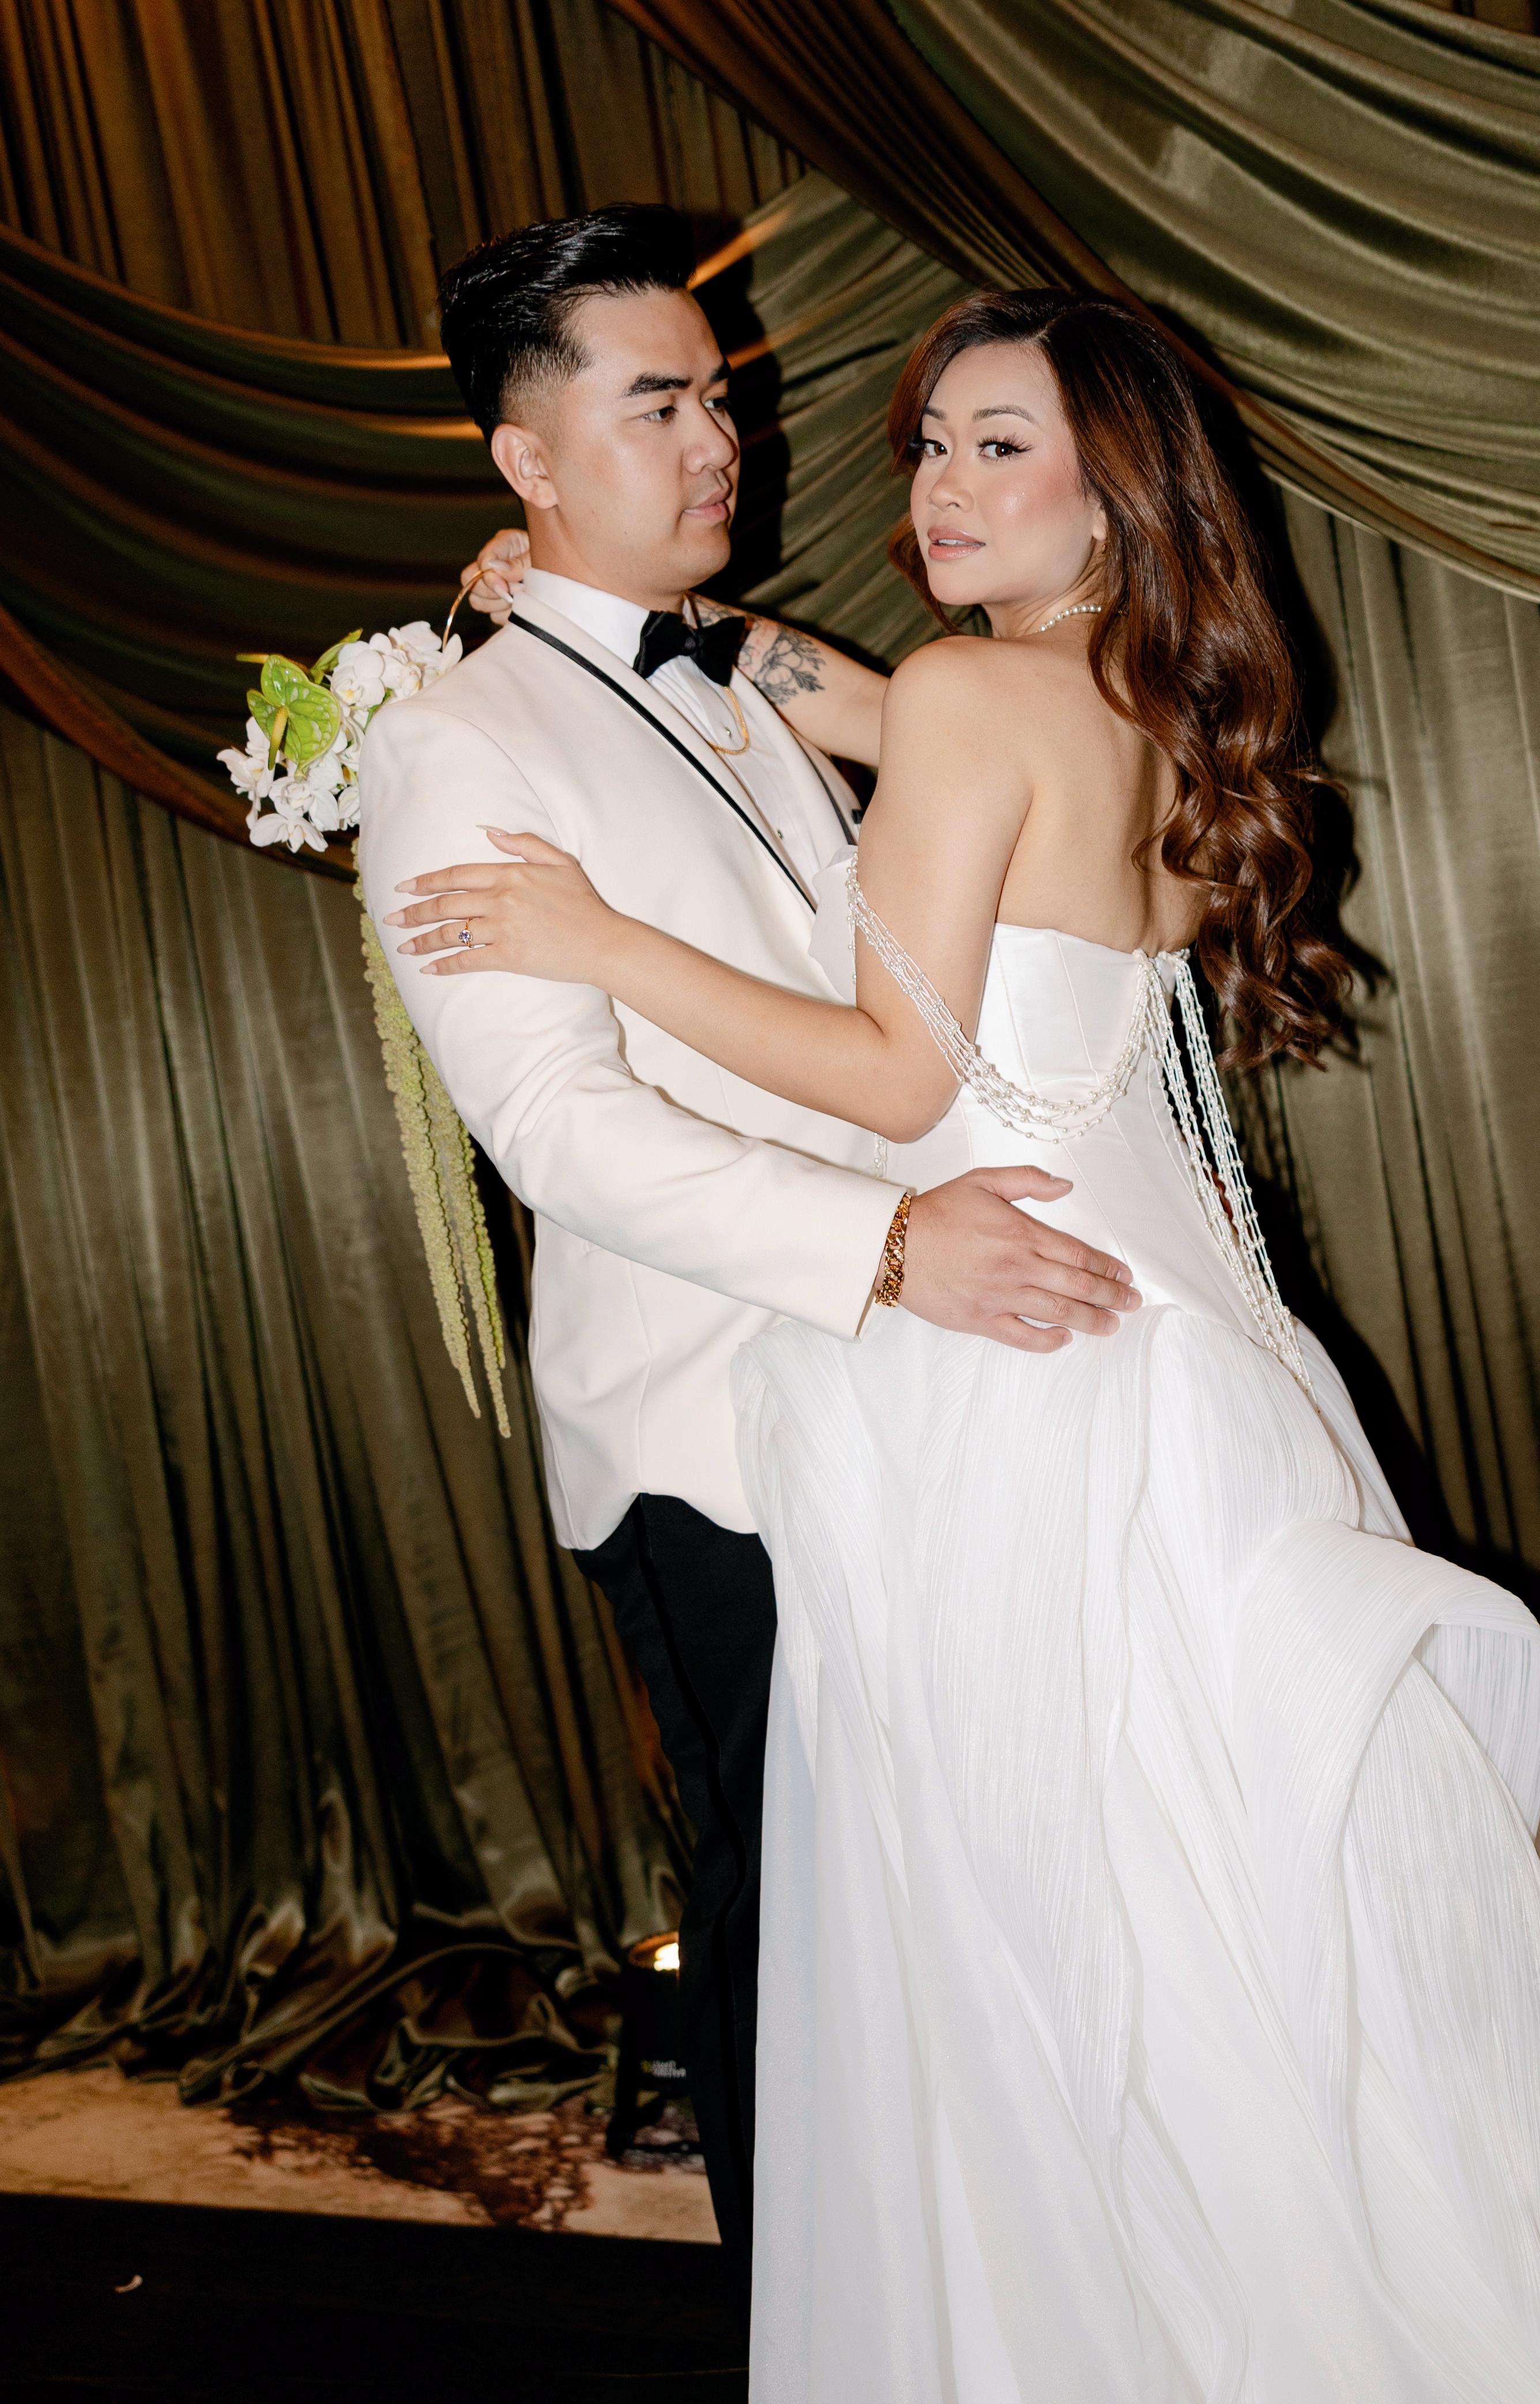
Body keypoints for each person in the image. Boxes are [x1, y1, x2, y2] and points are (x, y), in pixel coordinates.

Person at [389, 291, 1540, 2398]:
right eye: (931, 444)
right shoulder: (1132, 702)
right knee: (1214, 1874)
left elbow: (897, 1074)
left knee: (1026, 1901)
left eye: (998, 446)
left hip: (997, 1345)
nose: (939, 485)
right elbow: (885, 749)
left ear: (1111, 488)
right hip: (1164, 1332)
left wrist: (599, 937)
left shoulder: (963, 697)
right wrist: (611, 612)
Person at [355, 214, 1144, 2297]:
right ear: (528, 459)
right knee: (791, 1918)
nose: (724, 439)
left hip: (901, 1391)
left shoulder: (741, 672)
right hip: (709, 1422)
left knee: (933, 1916)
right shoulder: (455, 744)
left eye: (721, 396)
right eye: (660, 404)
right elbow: (559, 1127)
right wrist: (885, 1247)